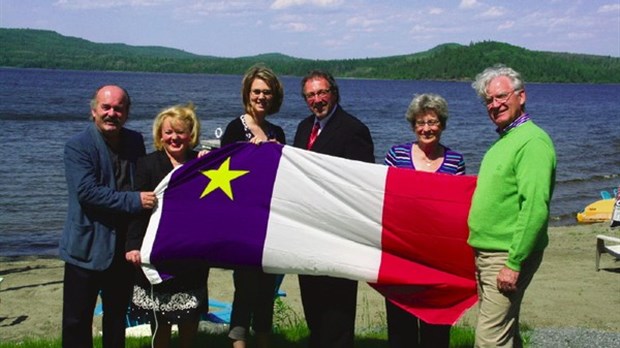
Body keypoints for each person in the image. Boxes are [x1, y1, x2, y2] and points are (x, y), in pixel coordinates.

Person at [59, 85, 156, 348]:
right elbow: (87, 193)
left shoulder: (135, 141)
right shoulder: (77, 147)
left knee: (116, 320)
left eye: (118, 108)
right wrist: (134, 201)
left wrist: (197, 158)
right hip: (86, 248)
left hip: (123, 249)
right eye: (106, 107)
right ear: (94, 111)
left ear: (127, 113)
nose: (112, 113)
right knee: (76, 322)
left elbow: (152, 173)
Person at [468, 64, 556, 347]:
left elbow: (535, 208)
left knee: (489, 340)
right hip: (489, 252)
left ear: (521, 96)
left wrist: (514, 262)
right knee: (504, 332)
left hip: (505, 255)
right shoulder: (507, 138)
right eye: (489, 100)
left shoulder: (532, 142)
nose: (495, 105)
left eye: (501, 96)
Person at [292, 70, 375, 348]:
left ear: (334, 93)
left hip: (339, 234)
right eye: (311, 95)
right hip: (308, 232)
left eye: (322, 92)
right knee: (313, 303)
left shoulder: (354, 129)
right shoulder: (304, 128)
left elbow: (363, 184)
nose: (317, 100)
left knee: (337, 308)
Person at [383, 93, 465, 348]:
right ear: (413, 125)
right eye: (421, 122)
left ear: (442, 125)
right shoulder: (396, 155)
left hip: (437, 261)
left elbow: (457, 211)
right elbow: (385, 201)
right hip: (401, 256)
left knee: (436, 328)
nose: (426, 128)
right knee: (401, 326)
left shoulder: (455, 161)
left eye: (432, 122)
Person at [125, 103, 209, 348]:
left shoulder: (202, 164)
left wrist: (210, 159)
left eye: (180, 132)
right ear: (160, 136)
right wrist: (132, 245)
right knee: (160, 322)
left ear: (190, 135)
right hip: (158, 251)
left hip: (192, 253)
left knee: (189, 319)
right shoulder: (146, 164)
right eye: (168, 132)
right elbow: (138, 211)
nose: (174, 137)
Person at [221, 64, 286, 348]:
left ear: (274, 97)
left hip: (271, 222)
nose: (261, 97)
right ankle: (238, 342)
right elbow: (223, 173)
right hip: (243, 223)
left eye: (267, 92)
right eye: (256, 91)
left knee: (266, 290)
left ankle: (263, 341)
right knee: (245, 287)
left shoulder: (278, 132)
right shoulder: (237, 128)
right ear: (248, 93)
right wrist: (251, 154)